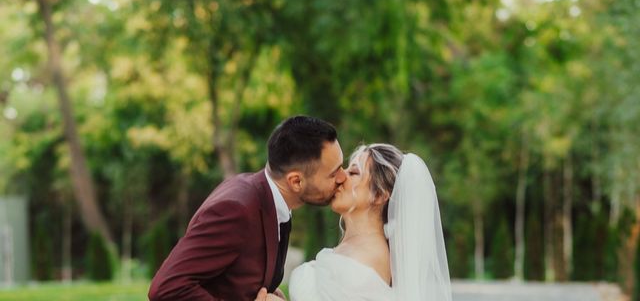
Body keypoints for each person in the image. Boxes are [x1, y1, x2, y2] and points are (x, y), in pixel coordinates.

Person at [149, 115, 347, 301]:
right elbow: (167, 287)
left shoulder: (272, 199)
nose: (343, 177)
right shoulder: (236, 210)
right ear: (295, 181)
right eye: (333, 173)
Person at [277, 143, 452, 301]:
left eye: (353, 172)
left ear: (379, 195)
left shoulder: (368, 259)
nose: (340, 177)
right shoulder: (356, 251)